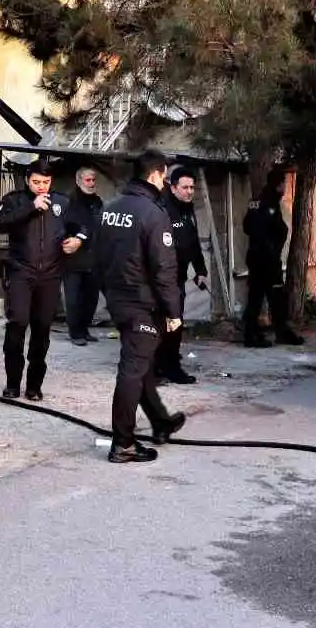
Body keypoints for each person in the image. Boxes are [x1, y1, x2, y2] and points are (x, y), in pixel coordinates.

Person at [95, 148, 188, 464]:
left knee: (141, 365)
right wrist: (173, 312)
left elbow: (98, 258)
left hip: (119, 301)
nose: (164, 181)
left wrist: (110, 292)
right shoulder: (153, 213)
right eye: (164, 176)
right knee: (132, 371)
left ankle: (160, 422)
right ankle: (123, 444)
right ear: (156, 174)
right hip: (142, 306)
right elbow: (164, 269)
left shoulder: (110, 208)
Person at [0, 158, 86, 399]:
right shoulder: (14, 200)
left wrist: (78, 240)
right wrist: (31, 207)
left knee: (42, 328)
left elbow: (84, 226)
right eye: (36, 182)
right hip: (21, 272)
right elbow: (1, 223)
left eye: (45, 182)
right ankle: (13, 383)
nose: (41, 186)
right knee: (18, 324)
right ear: (27, 180)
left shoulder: (63, 202)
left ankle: (34, 385)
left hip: (50, 275)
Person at [241, 171, 305, 347]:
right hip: (266, 260)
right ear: (278, 185)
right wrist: (272, 246)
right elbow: (272, 230)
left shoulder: (258, 201)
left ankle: (259, 332)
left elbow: (247, 227)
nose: (285, 187)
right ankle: (255, 335)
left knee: (261, 296)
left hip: (257, 257)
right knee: (270, 297)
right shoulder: (268, 203)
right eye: (284, 183)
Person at [156, 165, 208, 384]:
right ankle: (159, 367)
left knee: (175, 322)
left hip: (178, 278)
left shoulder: (187, 208)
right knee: (163, 323)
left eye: (192, 187)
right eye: (184, 187)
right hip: (161, 278)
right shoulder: (162, 209)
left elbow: (192, 241)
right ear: (173, 187)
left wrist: (200, 270)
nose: (189, 191)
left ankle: (170, 364)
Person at [62, 167, 105, 346]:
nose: (92, 183)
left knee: (91, 298)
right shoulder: (69, 201)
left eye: (93, 180)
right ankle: (75, 332)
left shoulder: (97, 201)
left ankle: (85, 329)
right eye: (88, 180)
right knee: (73, 298)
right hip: (73, 258)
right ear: (79, 181)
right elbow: (72, 225)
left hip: (93, 258)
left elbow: (99, 223)